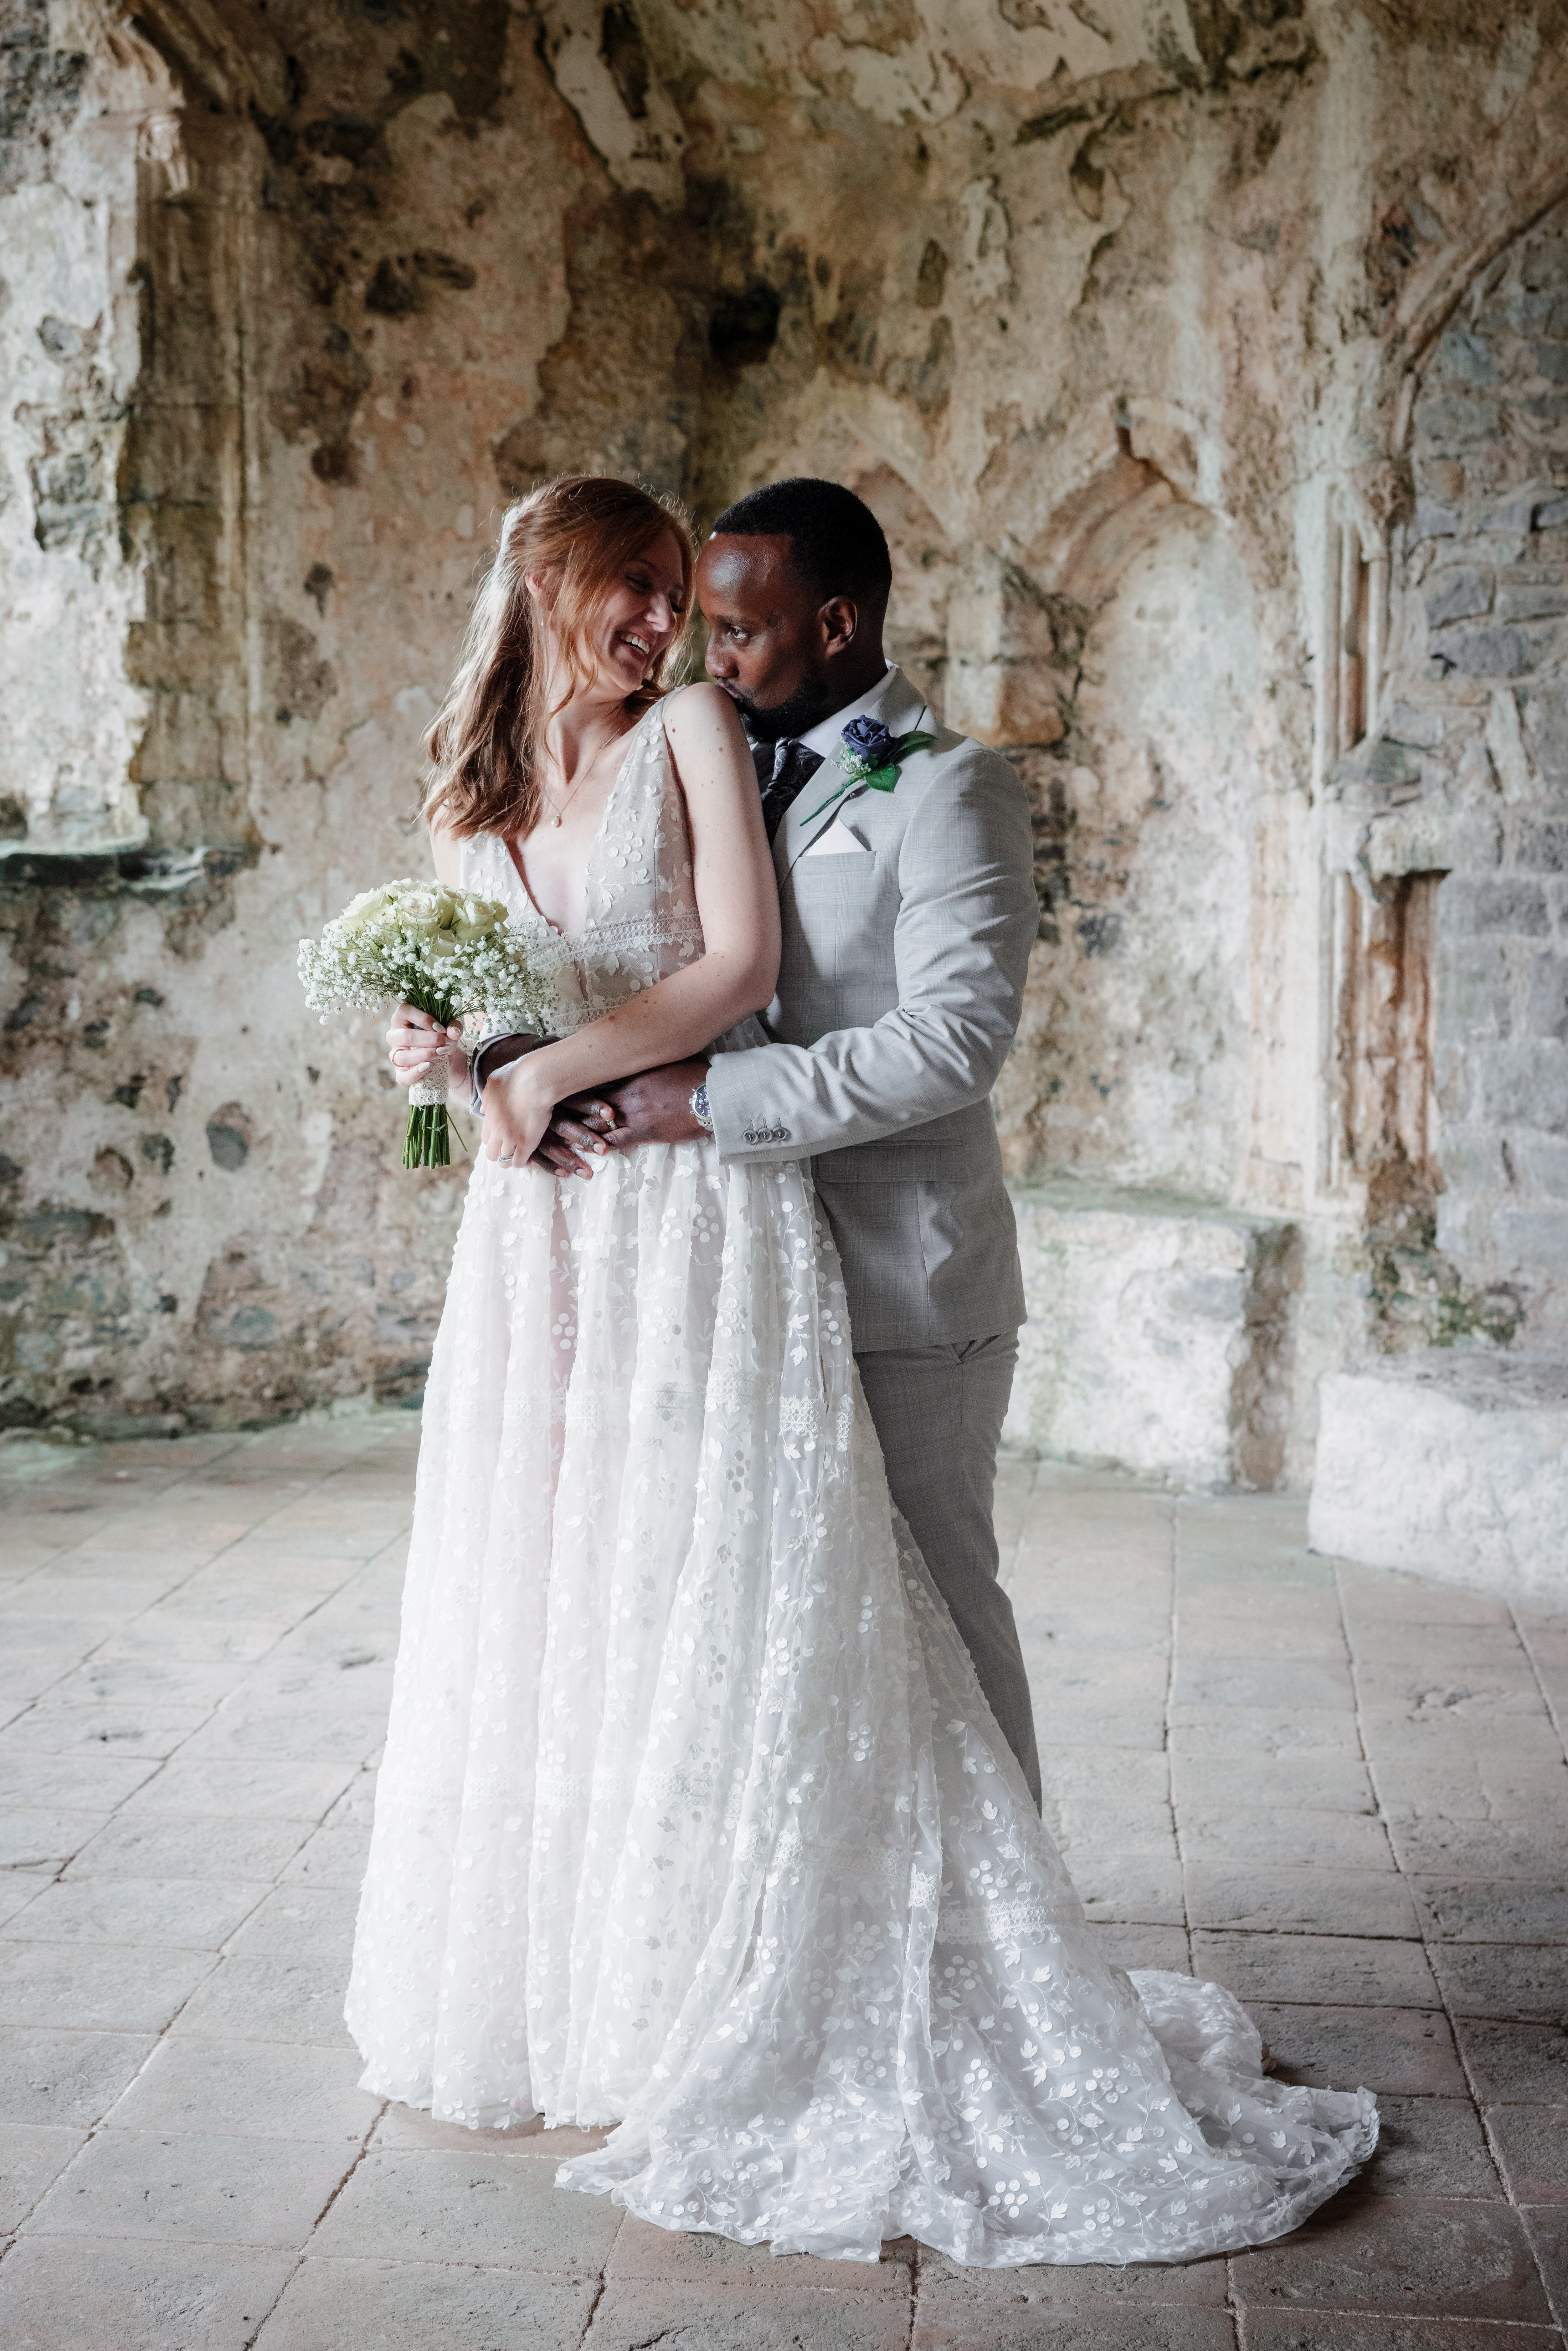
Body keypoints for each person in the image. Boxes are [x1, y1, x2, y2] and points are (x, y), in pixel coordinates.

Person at [347, 472, 1376, 2267]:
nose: (697, 640)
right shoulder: (713, 746)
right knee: (685, 1614)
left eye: (723, 612)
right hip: (648, 1243)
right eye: (674, 603)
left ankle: (985, 1957)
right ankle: (681, 1950)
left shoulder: (940, 781)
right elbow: (588, 957)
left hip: (876, 1263)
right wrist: (459, 1057)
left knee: (917, 1623)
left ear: (834, 620)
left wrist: (672, 1094)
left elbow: (944, 1035)